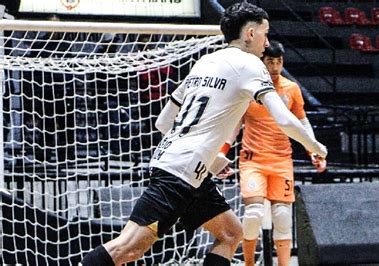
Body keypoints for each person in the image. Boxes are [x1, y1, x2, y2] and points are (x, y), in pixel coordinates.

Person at [81, 2, 327, 266]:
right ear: (251, 34)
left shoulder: (205, 61)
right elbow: (284, 120)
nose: (267, 43)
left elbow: (163, 122)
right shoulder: (250, 65)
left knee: (231, 233)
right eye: (265, 34)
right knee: (128, 248)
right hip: (180, 172)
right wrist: (314, 146)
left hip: (185, 165)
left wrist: (210, 158)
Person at [220, 40, 327, 266]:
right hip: (253, 160)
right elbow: (235, 124)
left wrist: (313, 150)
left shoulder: (291, 88)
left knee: (282, 216)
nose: (276, 67)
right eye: (271, 61)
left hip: (281, 161)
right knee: (253, 215)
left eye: (279, 62)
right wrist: (223, 151)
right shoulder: (249, 88)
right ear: (262, 61)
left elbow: (302, 122)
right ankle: (249, 264)